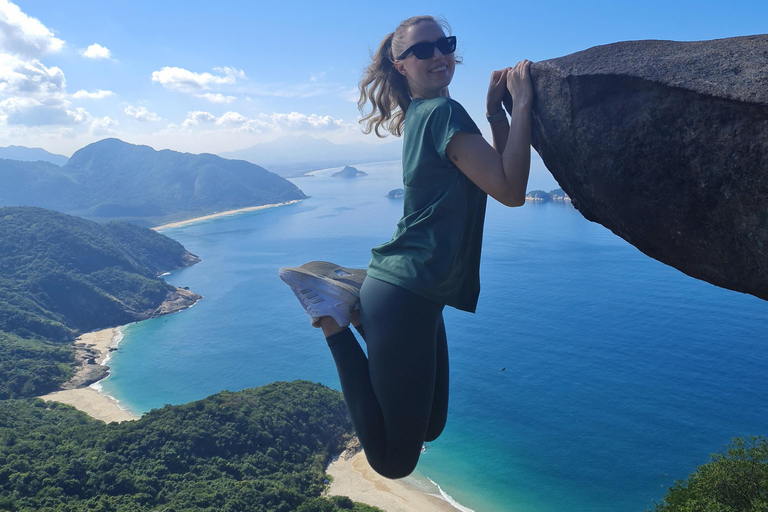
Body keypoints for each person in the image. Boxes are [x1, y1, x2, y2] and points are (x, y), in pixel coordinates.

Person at [279, 15, 532, 479]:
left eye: (445, 44)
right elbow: (512, 191)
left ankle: (358, 305)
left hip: (418, 291)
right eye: (423, 50)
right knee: (394, 462)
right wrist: (525, 105)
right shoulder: (443, 114)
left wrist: (499, 113)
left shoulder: (428, 110)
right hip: (407, 292)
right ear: (400, 65)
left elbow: (496, 172)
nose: (438, 55)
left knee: (431, 427)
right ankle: (333, 318)